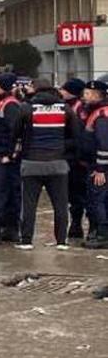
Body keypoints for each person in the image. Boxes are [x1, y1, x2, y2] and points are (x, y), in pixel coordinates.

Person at [12, 79, 80, 251]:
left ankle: (26, 240)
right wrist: (62, 148)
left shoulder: (26, 108)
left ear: (35, 90)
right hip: (58, 163)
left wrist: (16, 152)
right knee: (60, 205)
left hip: (31, 162)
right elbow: (76, 136)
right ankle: (61, 241)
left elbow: (15, 133)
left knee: (29, 205)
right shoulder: (65, 109)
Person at [0, 72, 23, 244]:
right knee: (4, 193)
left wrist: (10, 155)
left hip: (5, 158)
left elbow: (16, 133)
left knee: (1, 193)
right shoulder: (0, 104)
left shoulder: (10, 105)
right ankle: (7, 228)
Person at [59, 78, 90, 240]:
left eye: (64, 89)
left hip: (77, 159)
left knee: (78, 194)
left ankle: (78, 224)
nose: (61, 91)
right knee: (73, 194)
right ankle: (76, 224)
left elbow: (79, 136)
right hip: (72, 157)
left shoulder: (78, 109)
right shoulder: (71, 107)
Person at [81, 81, 108, 249]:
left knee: (98, 199)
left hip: (100, 166)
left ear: (97, 95)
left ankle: (102, 234)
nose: (84, 97)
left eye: (87, 94)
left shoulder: (101, 115)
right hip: (96, 164)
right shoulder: (97, 112)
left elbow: (104, 144)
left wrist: (100, 169)